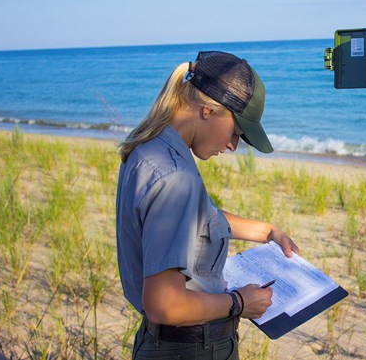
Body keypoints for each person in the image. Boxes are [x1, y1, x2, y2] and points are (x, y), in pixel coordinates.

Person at [116, 51, 298, 360]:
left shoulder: (151, 149)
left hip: (162, 344)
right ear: (209, 111)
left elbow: (198, 218)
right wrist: (239, 303)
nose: (232, 146)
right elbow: (164, 304)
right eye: (236, 133)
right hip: (190, 348)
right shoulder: (175, 177)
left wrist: (268, 232)